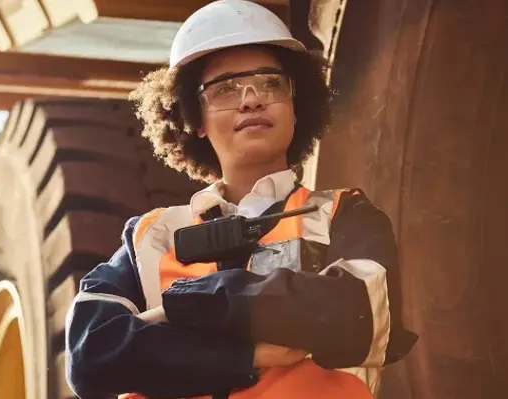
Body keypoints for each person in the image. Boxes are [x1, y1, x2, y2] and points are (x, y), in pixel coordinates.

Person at [64, 1, 418, 398]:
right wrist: (245, 354)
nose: (252, 100)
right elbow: (90, 355)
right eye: (225, 89)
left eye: (271, 83)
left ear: (296, 106)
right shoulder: (150, 236)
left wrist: (195, 307)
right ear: (193, 118)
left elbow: (361, 316)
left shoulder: (344, 215)